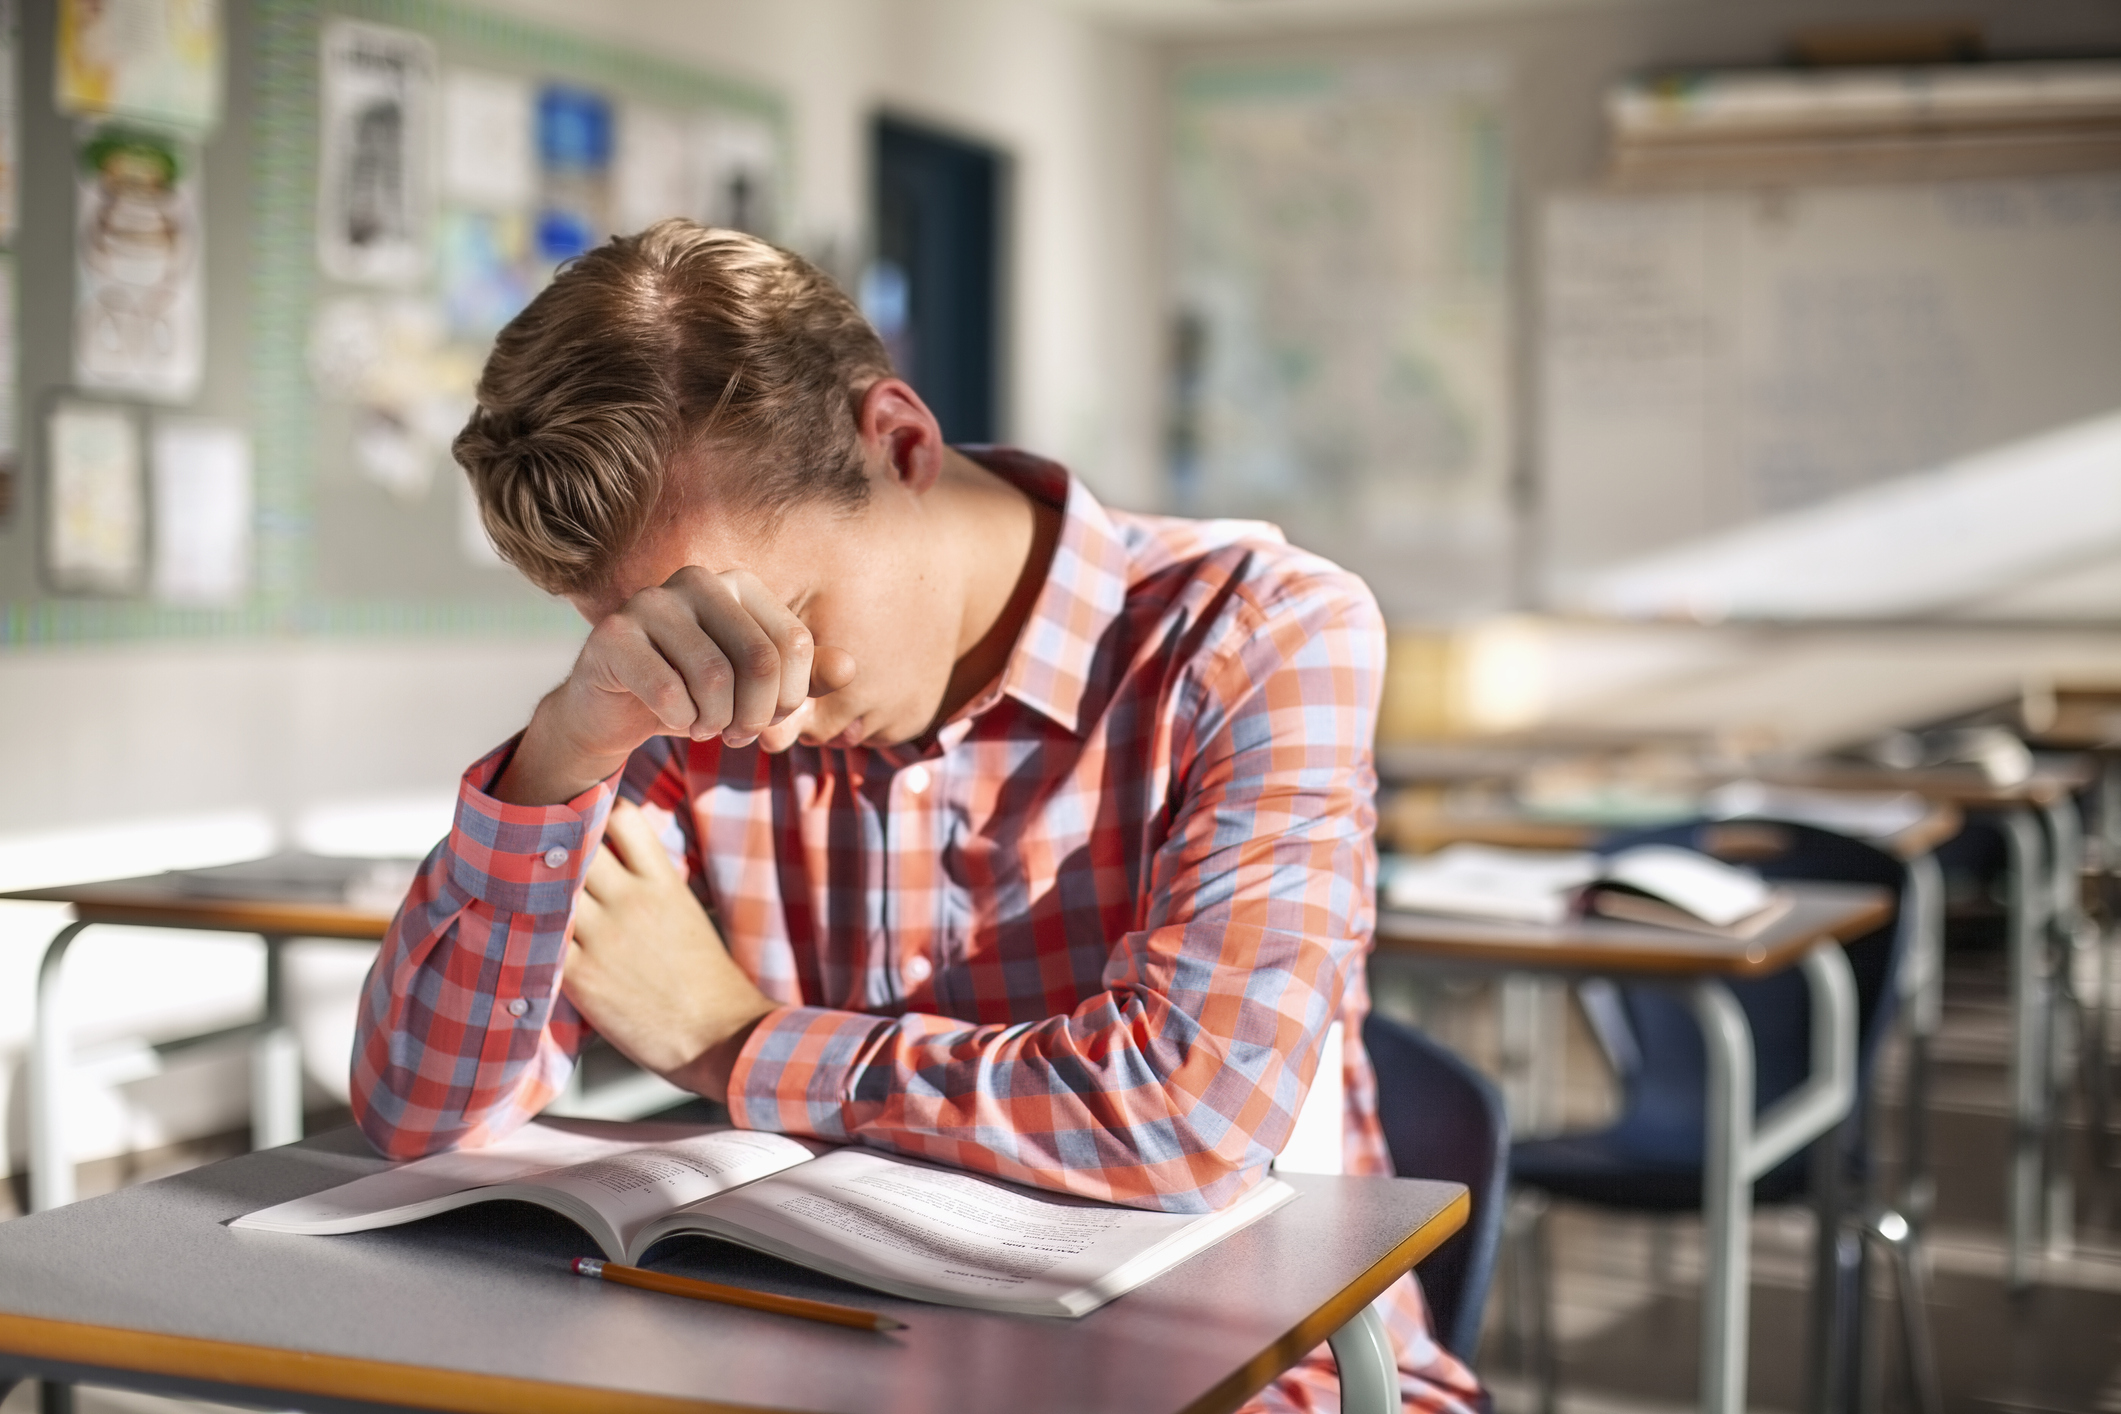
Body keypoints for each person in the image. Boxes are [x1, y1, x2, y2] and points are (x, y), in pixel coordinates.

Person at [351, 220, 1483, 1414]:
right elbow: (422, 1112)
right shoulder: (694, 696)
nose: (756, 720)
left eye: (780, 617)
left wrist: (734, 1039)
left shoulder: (1262, 631)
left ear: (897, 442)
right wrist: (565, 750)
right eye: (676, 647)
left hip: (1256, 1373)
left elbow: (1184, 1119)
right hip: (852, 1356)